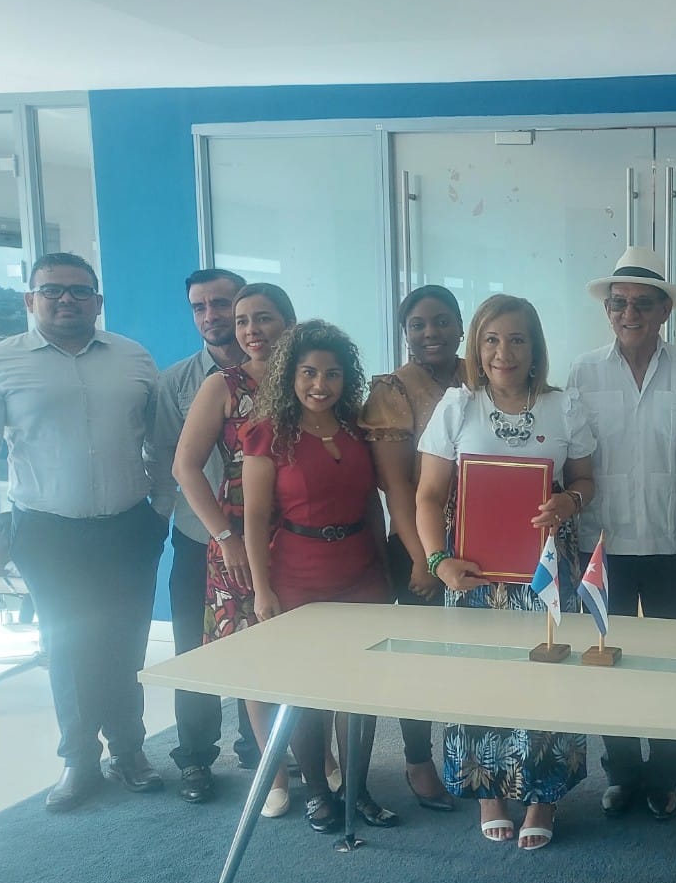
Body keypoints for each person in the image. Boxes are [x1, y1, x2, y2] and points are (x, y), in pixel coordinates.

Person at [0, 252, 173, 812]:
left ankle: (129, 749)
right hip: (47, 531)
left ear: (97, 301)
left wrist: (162, 507)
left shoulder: (133, 357)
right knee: (68, 644)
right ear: (31, 300)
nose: (66, 299)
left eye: (79, 291)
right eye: (52, 290)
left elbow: (161, 440)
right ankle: (79, 759)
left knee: (127, 639)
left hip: (129, 526)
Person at [416, 294, 598, 850]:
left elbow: (586, 481)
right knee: (480, 676)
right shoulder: (457, 406)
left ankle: (543, 796)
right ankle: (487, 793)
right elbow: (428, 496)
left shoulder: (564, 407)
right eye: (492, 340)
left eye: (517, 339)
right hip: (472, 575)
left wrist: (568, 502)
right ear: (476, 347)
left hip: (546, 572)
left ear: (535, 348)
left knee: (548, 675)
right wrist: (437, 561)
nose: (504, 352)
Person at [570, 246, 676, 821]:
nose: (629, 313)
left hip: (674, 541)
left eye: (642, 304)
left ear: (663, 311)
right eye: (618, 303)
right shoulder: (582, 372)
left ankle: (665, 774)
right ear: (607, 310)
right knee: (607, 663)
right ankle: (623, 772)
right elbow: (574, 459)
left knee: (672, 665)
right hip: (600, 544)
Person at [241, 320, 396, 834]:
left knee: (360, 691)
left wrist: (385, 570)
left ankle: (357, 789)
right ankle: (316, 791)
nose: (319, 384)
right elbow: (254, 519)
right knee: (305, 691)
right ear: (290, 375)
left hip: (361, 573)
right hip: (297, 576)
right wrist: (262, 590)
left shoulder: (356, 428)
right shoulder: (268, 434)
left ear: (345, 379)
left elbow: (372, 504)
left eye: (331, 374)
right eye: (308, 372)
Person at [172, 284, 295, 813]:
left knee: (309, 653)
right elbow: (184, 467)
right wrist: (225, 537)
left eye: (263, 318)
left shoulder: (311, 376)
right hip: (241, 537)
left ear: (289, 323)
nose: (250, 330)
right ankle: (273, 772)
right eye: (242, 321)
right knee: (255, 655)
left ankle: (321, 758)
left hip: (305, 532)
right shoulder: (222, 385)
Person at [360, 285, 465, 812]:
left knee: (477, 656)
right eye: (418, 324)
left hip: (484, 544)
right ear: (405, 333)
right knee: (420, 660)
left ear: (461, 327)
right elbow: (397, 487)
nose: (431, 333)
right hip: (418, 545)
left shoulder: (482, 371)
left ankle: (478, 759)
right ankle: (418, 759)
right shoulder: (392, 390)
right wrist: (425, 557)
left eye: (442, 321)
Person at [155, 268, 258, 803]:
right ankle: (195, 755)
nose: (212, 315)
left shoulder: (282, 375)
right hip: (200, 538)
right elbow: (165, 461)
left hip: (269, 538)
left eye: (223, 303)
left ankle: (259, 747)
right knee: (194, 649)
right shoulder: (176, 382)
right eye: (200, 306)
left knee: (263, 642)